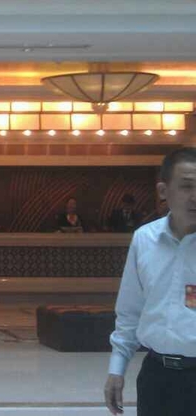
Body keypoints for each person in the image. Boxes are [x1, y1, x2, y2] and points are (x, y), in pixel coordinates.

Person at [104, 147, 196, 416]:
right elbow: (130, 311)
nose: (195, 196)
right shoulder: (144, 240)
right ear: (163, 191)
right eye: (187, 186)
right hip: (157, 378)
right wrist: (117, 368)